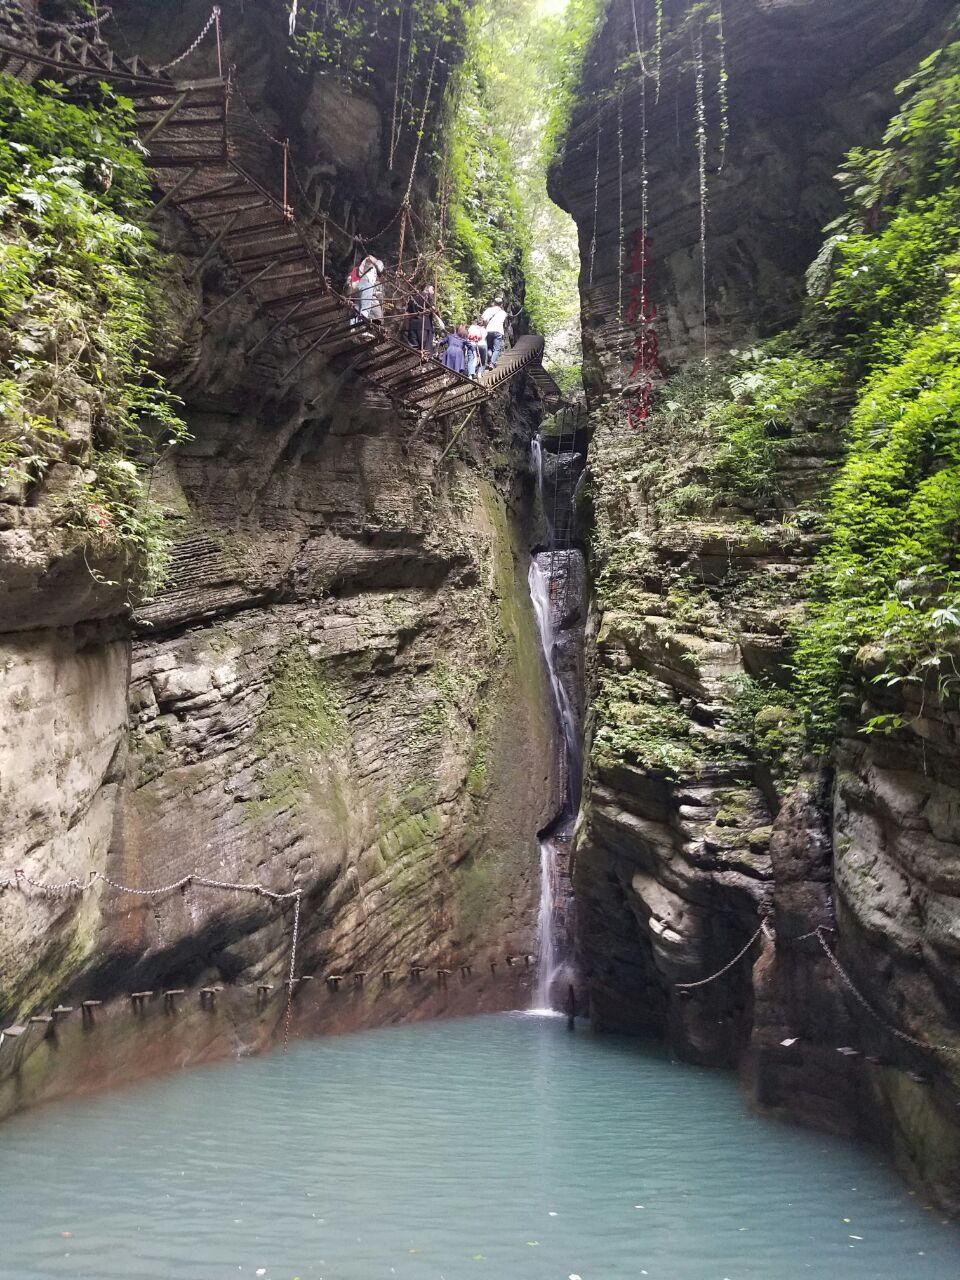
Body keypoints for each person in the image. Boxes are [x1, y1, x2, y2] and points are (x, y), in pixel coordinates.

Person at [407, 284, 437, 353]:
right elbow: (433, 308)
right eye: (432, 289)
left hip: (413, 325)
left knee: (413, 349)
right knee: (425, 349)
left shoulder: (413, 297)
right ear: (427, 289)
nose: (433, 292)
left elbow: (408, 313)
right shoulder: (428, 296)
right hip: (424, 325)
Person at [353, 255, 384, 322]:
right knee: (365, 307)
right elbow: (379, 267)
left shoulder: (364, 264)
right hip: (367, 282)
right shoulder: (370, 261)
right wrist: (376, 261)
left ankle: (352, 326)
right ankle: (360, 325)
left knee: (357, 307)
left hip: (361, 283)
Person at [482, 297, 509, 368]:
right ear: (501, 304)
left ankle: (490, 358)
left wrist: (485, 326)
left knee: (489, 347)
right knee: (496, 349)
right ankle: (492, 363)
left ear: (494, 303)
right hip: (498, 331)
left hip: (489, 330)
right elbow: (505, 322)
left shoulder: (488, 310)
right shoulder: (503, 313)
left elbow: (484, 320)